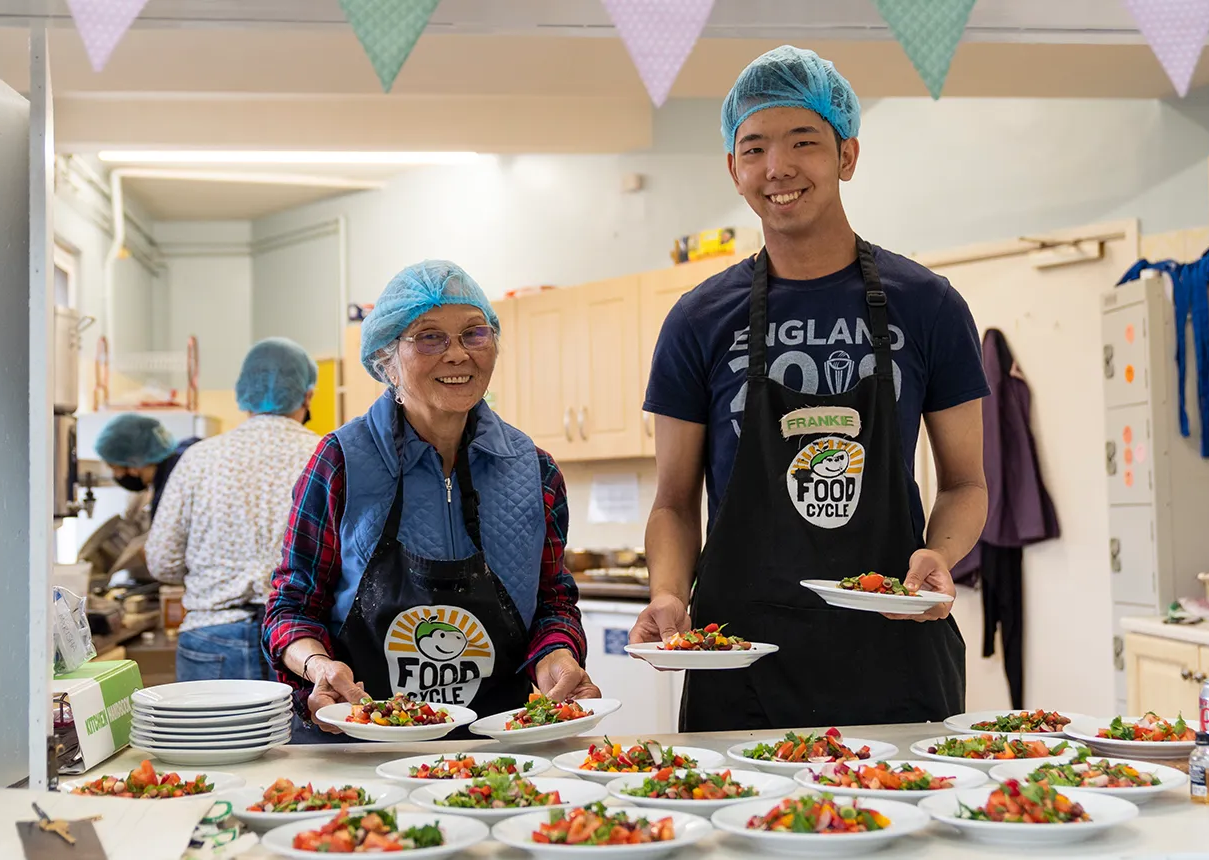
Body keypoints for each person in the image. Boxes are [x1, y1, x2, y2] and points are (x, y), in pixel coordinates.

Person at [630, 46, 990, 731]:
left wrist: (938, 556)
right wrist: (669, 593)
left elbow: (967, 484)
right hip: (738, 660)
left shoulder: (928, 305)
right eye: (754, 147)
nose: (778, 167)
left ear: (847, 156)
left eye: (804, 141)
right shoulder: (698, 320)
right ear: (734, 169)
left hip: (895, 653)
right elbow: (673, 503)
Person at [263, 260, 598, 739]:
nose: (458, 354)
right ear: (387, 360)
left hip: (498, 749)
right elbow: (291, 607)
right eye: (429, 337)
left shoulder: (533, 469)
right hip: (362, 741)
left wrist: (557, 654)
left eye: (474, 333)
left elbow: (553, 602)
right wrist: (317, 666)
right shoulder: (340, 461)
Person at [145, 338, 322, 681]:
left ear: (243, 393)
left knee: (213, 721)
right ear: (307, 396)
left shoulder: (199, 458)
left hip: (210, 633)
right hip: (299, 642)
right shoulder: (326, 455)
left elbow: (162, 560)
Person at [93, 412, 200, 577]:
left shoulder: (169, 490)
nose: (117, 476)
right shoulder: (190, 452)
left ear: (134, 463)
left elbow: (169, 558)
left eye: (115, 468)